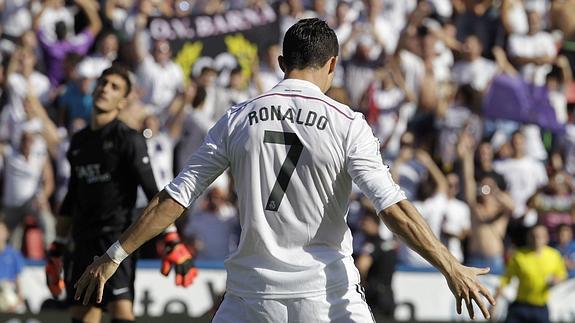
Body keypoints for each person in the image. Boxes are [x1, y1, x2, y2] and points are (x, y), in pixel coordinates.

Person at [75, 19, 495, 322]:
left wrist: (113, 256)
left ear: (280, 62)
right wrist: (449, 265)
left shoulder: (237, 118)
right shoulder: (348, 123)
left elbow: (175, 197)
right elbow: (391, 208)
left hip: (249, 299)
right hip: (325, 298)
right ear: (332, 65)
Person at [45, 65, 197, 323]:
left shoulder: (129, 140)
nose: (105, 88)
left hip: (117, 241)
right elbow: (72, 196)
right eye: (103, 83)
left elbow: (153, 192)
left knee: (122, 314)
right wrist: (57, 247)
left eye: (115, 86)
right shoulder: (78, 141)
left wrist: (172, 239)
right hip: (82, 241)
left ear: (124, 101)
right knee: (82, 316)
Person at [492, 225, 567, 323]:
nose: (537, 240)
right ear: (528, 237)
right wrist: (494, 304)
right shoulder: (519, 255)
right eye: (533, 236)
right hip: (520, 306)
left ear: (547, 238)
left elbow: (562, 275)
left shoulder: (554, 255)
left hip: (541, 307)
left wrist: (557, 280)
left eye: (540, 236)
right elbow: (505, 280)